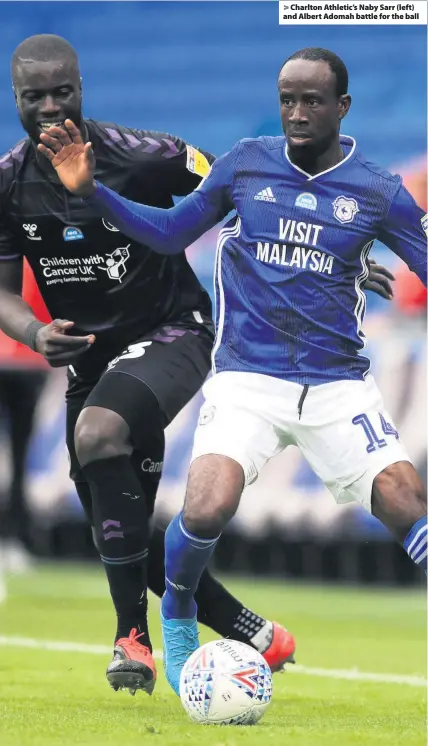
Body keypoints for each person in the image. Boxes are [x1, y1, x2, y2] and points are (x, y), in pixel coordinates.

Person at [38, 45, 427, 696]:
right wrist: (92, 193)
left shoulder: (377, 190)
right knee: (208, 504)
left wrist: (347, 263)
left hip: (337, 386)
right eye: (287, 100)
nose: (297, 113)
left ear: (343, 107)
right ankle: (181, 607)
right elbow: (168, 232)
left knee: (405, 500)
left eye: (311, 100)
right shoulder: (246, 165)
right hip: (249, 378)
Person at [0, 33, 305, 698]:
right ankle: (252, 630)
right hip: (91, 360)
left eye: (63, 92)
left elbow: (237, 184)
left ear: (82, 88)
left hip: (174, 333)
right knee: (119, 518)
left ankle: (128, 638)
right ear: (15, 98)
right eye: (35, 97)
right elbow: (2, 287)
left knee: (97, 436)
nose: (52, 107)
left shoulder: (143, 155)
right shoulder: (8, 184)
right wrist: (31, 330)